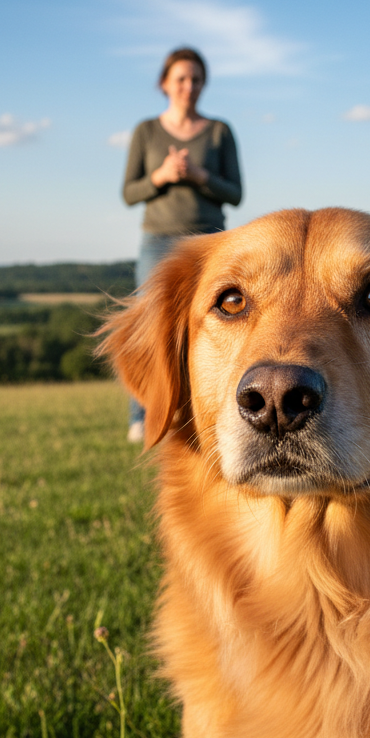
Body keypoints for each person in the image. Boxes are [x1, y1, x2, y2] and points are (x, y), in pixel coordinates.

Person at [122, 46, 242, 443]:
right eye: (181, 79)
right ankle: (142, 415)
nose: (189, 86)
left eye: (196, 79)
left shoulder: (219, 131)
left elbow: (235, 193)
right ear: (164, 84)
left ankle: (210, 412)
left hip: (208, 241)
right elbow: (129, 192)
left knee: (212, 329)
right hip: (158, 240)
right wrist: (162, 175)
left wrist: (198, 175)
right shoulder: (146, 131)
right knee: (150, 328)